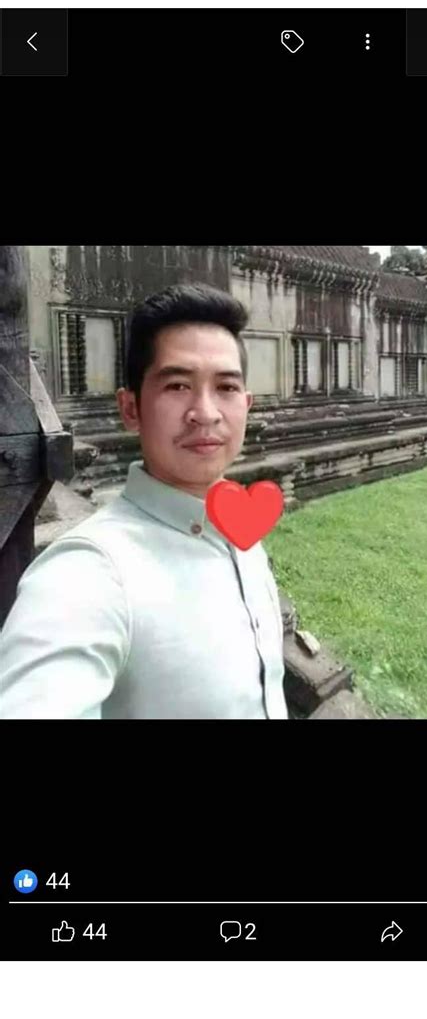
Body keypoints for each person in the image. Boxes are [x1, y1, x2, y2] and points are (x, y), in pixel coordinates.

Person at [0, 283, 288, 719]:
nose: (206, 412)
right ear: (131, 408)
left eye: (226, 387)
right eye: (177, 385)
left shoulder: (241, 538)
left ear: (246, 405)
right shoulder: (89, 572)